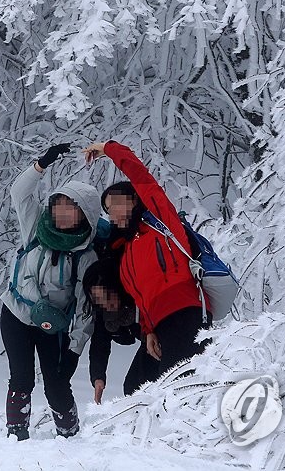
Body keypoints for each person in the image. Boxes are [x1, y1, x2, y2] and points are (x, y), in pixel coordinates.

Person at [82, 140, 208, 386]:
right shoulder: (126, 252)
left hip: (185, 313)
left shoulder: (162, 225)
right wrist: (148, 331)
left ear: (136, 200)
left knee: (178, 387)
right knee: (135, 386)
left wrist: (108, 148)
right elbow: (142, 297)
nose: (114, 211)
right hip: (158, 325)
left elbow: (140, 174)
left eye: (119, 202)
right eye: (109, 209)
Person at [0, 142, 101, 440]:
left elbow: (86, 308)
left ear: (85, 215)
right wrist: (41, 165)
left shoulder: (86, 255)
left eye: (71, 208)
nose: (62, 213)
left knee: (56, 384)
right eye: (59, 205)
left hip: (51, 326)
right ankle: (16, 438)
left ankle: (70, 438)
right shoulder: (36, 227)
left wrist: (74, 349)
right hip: (16, 314)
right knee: (21, 379)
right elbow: (19, 194)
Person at [82, 258, 156, 402]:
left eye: (108, 297)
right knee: (132, 389)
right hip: (147, 344)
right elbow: (99, 345)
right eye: (98, 300)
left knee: (140, 387)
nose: (105, 304)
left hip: (163, 336)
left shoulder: (140, 297)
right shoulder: (104, 313)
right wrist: (98, 378)